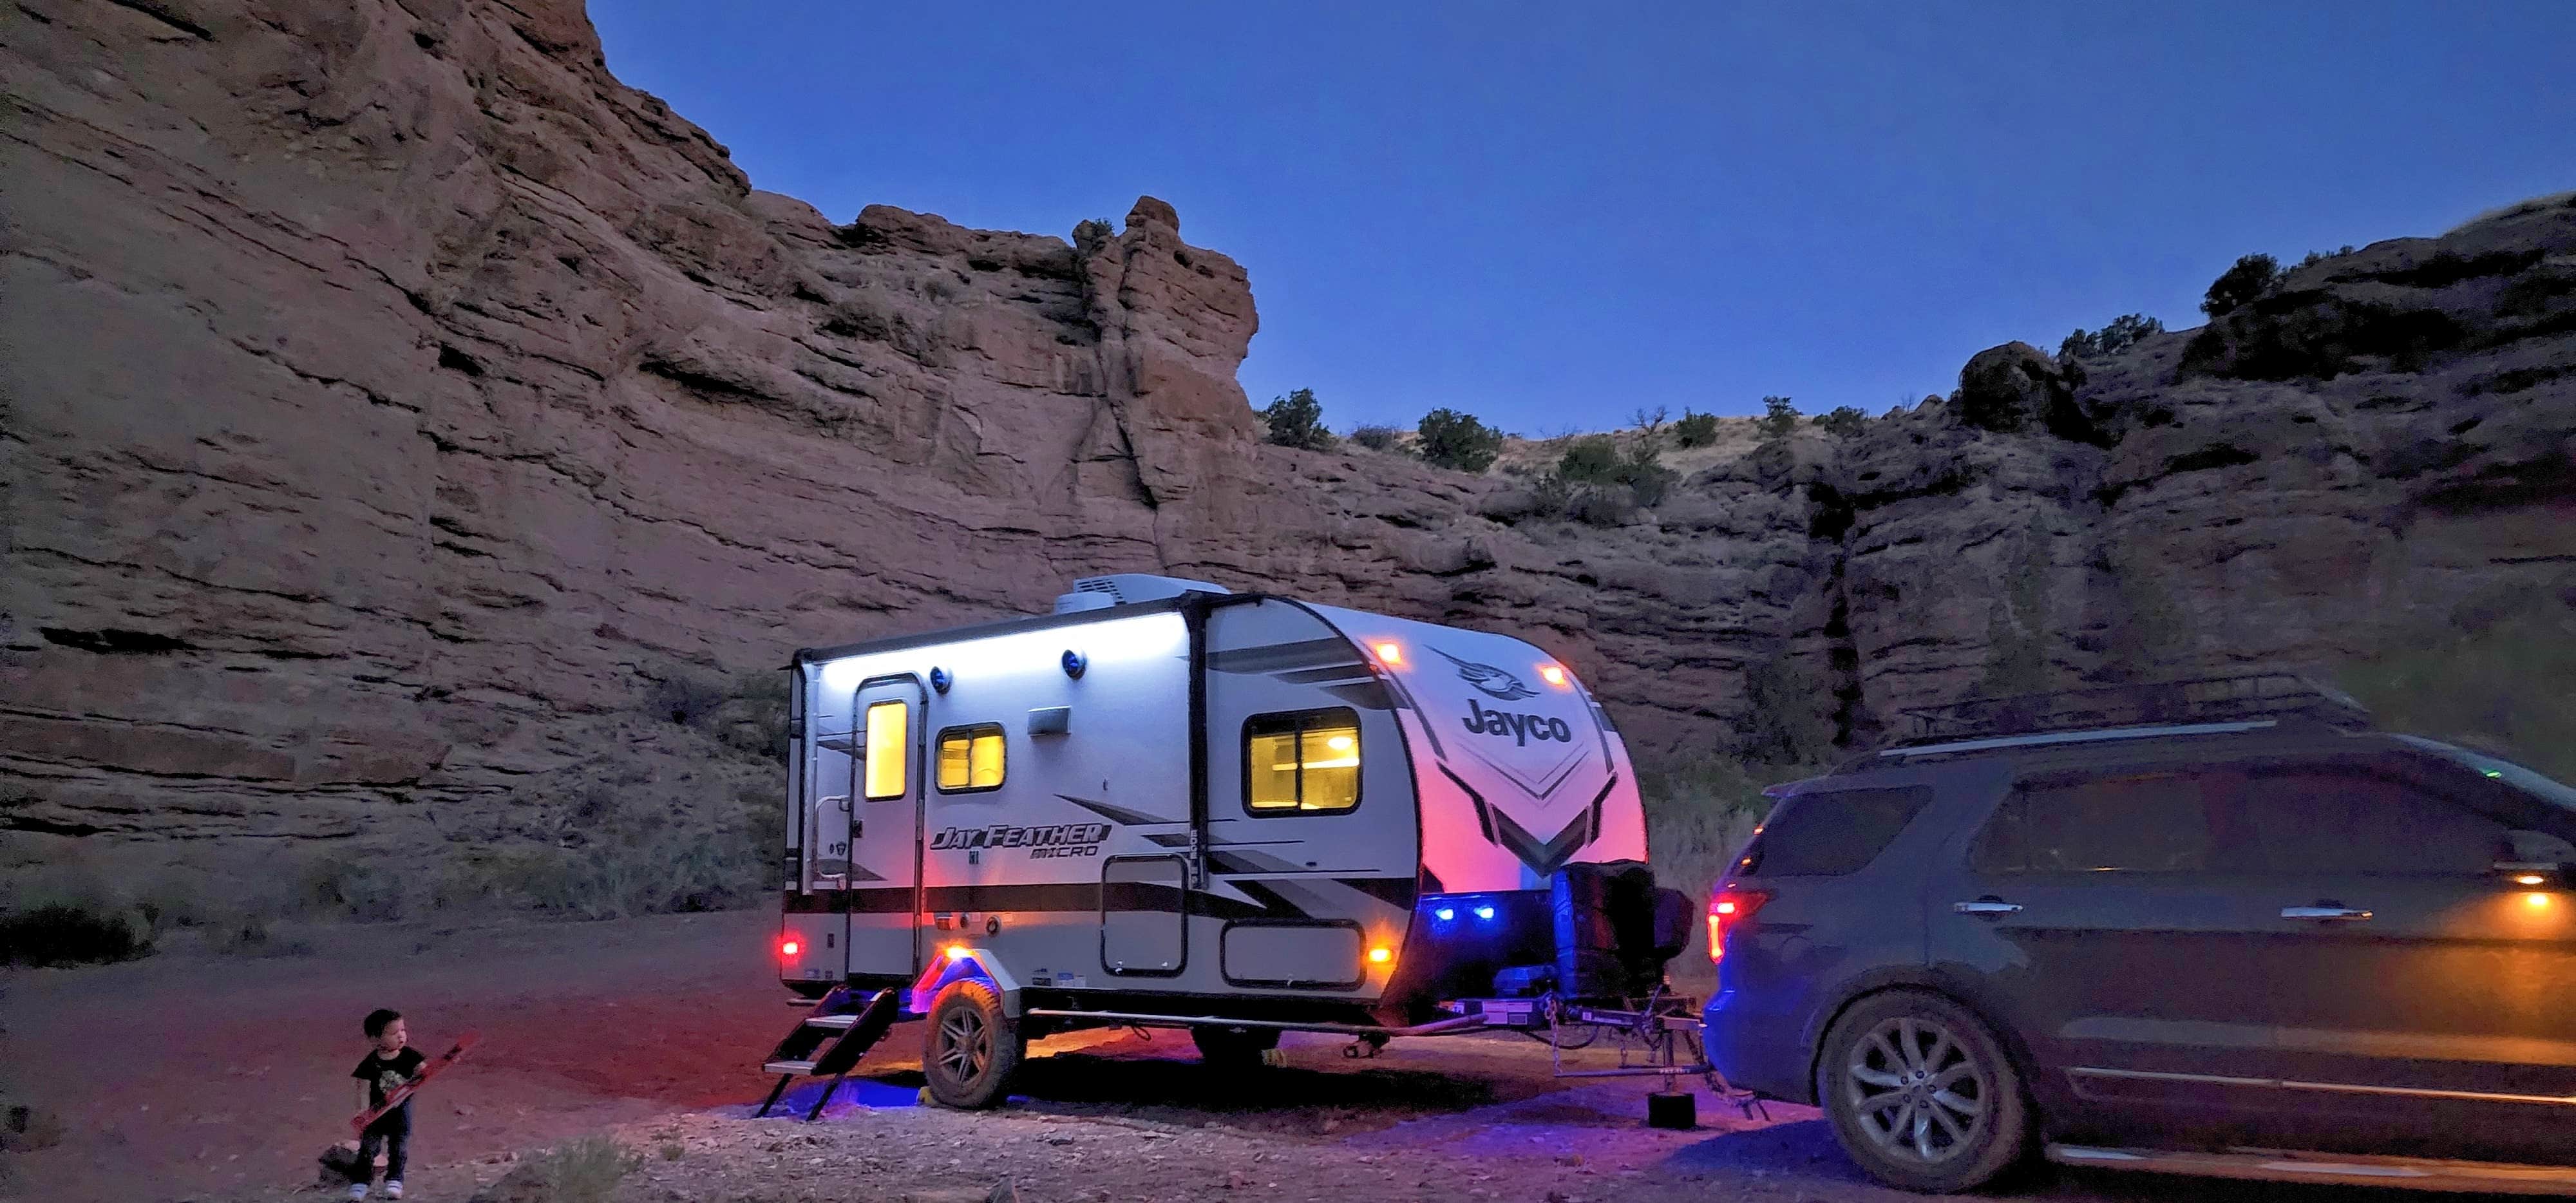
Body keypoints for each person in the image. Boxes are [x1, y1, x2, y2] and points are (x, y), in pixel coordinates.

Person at [348, 1008, 424, 1200]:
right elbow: (363, 1088)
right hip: (376, 1114)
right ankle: (360, 1183)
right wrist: (362, 1111)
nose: (401, 1036)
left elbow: (425, 1071)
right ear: (375, 1039)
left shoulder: (409, 1056)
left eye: (403, 1031)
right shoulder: (370, 1063)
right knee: (368, 1148)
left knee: (399, 1147)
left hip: (400, 1111)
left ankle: (395, 1180)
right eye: (394, 1033)